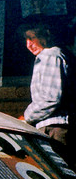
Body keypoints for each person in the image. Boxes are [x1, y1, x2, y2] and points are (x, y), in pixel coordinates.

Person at [23, 24, 75, 165]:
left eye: (32, 38)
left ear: (44, 36)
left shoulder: (51, 55)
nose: (29, 44)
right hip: (52, 126)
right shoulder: (48, 56)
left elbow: (50, 98)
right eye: (26, 39)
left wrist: (27, 117)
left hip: (56, 129)